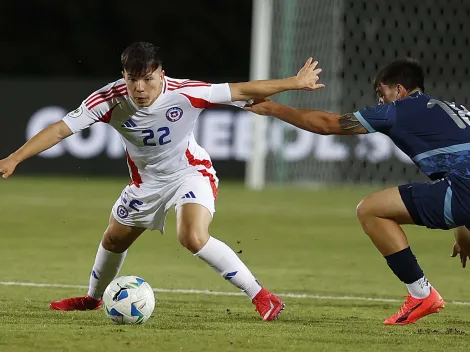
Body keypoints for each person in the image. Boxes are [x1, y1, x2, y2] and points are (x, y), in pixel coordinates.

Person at [0, 42, 324, 321]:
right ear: (123, 76)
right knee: (113, 240)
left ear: (161, 74)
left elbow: (242, 89)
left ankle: (262, 296)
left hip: (190, 173)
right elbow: (59, 129)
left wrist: (294, 82)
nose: (140, 89)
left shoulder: (186, 93)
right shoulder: (109, 99)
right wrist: (15, 158)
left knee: (193, 236)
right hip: (146, 184)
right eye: (132, 80)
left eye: (147, 80)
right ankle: (92, 298)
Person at [245, 57, 470, 325]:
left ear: (398, 90)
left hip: (463, 188)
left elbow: (327, 124)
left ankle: (421, 293)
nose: (380, 102)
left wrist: (273, 109)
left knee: (371, 210)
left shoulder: (398, 109)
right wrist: (464, 236)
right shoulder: (454, 109)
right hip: (462, 188)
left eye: (381, 93)